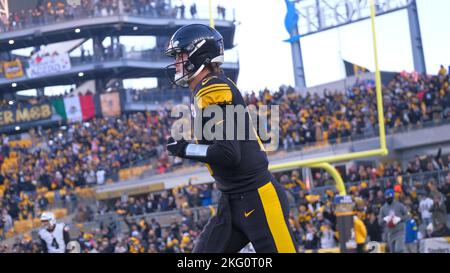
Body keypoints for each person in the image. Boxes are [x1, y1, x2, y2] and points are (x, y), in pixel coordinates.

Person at [164, 24, 297, 253]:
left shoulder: (212, 88)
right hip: (232, 199)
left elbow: (228, 154)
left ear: (199, 55)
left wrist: (185, 149)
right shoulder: (206, 90)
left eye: (181, 55)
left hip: (257, 196)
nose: (177, 62)